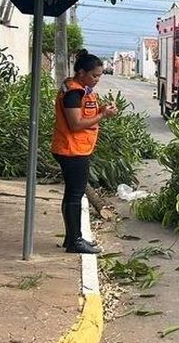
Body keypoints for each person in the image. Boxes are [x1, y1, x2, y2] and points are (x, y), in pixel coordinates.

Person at [51, 50, 118, 254]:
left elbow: (83, 114)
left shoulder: (80, 89)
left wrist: (100, 110)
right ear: (81, 72)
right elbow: (76, 124)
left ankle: (72, 238)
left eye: (99, 76)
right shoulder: (73, 92)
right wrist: (103, 115)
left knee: (73, 194)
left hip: (75, 148)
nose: (97, 80)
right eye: (94, 75)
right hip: (72, 150)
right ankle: (75, 241)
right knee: (75, 195)